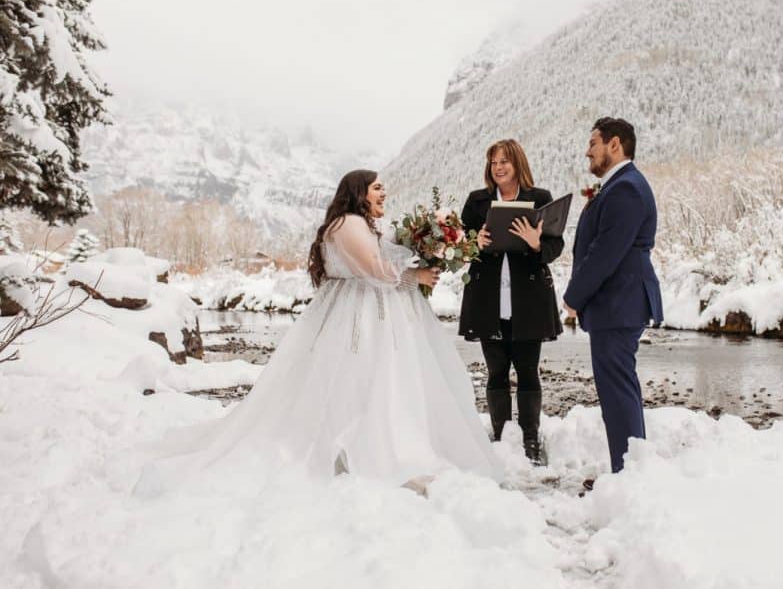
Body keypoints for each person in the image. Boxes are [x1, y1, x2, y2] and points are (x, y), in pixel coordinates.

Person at [136, 170, 501, 495]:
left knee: (381, 378)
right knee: (359, 377)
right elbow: (373, 269)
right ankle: (357, 445)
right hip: (357, 313)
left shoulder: (365, 224)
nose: (383, 193)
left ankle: (381, 438)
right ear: (358, 192)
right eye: (377, 188)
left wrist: (431, 252)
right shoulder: (347, 225)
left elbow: (386, 259)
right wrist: (414, 276)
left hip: (376, 310)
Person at [563, 117, 663, 483]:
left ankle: (628, 476)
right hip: (617, 303)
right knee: (620, 387)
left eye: (593, 142)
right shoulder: (619, 186)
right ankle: (630, 469)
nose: (588, 150)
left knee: (618, 390)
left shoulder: (626, 189)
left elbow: (606, 252)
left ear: (615, 144)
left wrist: (574, 296)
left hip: (620, 302)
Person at [459, 139, 563, 463]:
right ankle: (502, 437)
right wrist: (473, 241)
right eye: (494, 162)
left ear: (518, 163)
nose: (499, 167)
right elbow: (460, 245)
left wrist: (535, 244)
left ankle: (531, 438)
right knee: (496, 372)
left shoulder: (539, 199)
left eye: (505, 161)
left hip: (529, 299)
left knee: (529, 371)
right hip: (487, 300)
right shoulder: (477, 202)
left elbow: (555, 246)